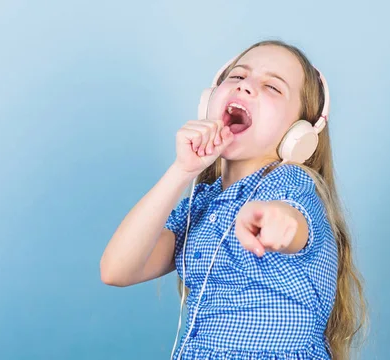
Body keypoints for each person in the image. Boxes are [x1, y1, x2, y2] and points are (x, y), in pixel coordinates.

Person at [100, 39, 367, 360]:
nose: (246, 88)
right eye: (237, 77)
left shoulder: (292, 185)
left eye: (272, 87)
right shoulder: (201, 205)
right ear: (208, 101)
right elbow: (117, 270)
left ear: (299, 134)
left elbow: (291, 219)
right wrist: (181, 170)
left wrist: (272, 222)